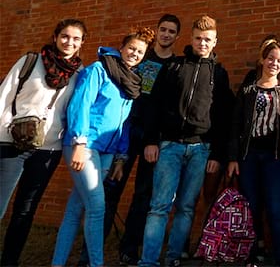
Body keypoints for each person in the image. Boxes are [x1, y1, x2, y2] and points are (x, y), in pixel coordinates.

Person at [77, 14, 181, 266]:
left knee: (143, 195)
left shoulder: (176, 66)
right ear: (157, 31)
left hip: (151, 139)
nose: (166, 34)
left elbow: (166, 107)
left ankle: (129, 248)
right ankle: (89, 253)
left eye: (171, 31)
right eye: (163, 30)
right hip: (123, 134)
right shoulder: (143, 58)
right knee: (109, 191)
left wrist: (154, 138)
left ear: (177, 36)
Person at [52, 26, 155, 267]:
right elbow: (80, 105)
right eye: (131, 48)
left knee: (75, 209)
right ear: (122, 47)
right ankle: (96, 264)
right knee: (97, 207)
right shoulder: (98, 70)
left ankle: (57, 263)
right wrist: (78, 142)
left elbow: (124, 124)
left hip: (108, 153)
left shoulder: (132, 82)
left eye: (140, 52)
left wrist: (121, 157)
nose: (135, 54)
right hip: (84, 146)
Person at [139, 15, 233, 267]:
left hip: (201, 149)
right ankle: (148, 261)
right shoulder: (174, 67)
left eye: (208, 40)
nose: (203, 43)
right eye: (199, 38)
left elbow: (224, 118)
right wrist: (150, 140)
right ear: (191, 39)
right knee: (159, 207)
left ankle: (173, 259)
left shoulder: (220, 74)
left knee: (186, 207)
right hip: (169, 146)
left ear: (215, 42)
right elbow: (154, 105)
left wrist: (217, 155)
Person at [0, 19, 87, 266]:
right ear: (55, 36)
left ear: (82, 43)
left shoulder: (80, 74)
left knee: (25, 212)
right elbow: (4, 96)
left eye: (76, 38)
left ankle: (9, 261)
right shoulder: (31, 61)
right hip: (11, 144)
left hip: (48, 150)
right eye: (65, 36)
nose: (69, 42)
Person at [227, 39, 280, 267]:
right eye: (271, 58)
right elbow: (236, 124)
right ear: (262, 59)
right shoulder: (249, 89)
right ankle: (250, 256)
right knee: (251, 207)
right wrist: (232, 158)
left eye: (279, 61)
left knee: (275, 208)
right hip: (249, 156)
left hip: (276, 158)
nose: (274, 63)